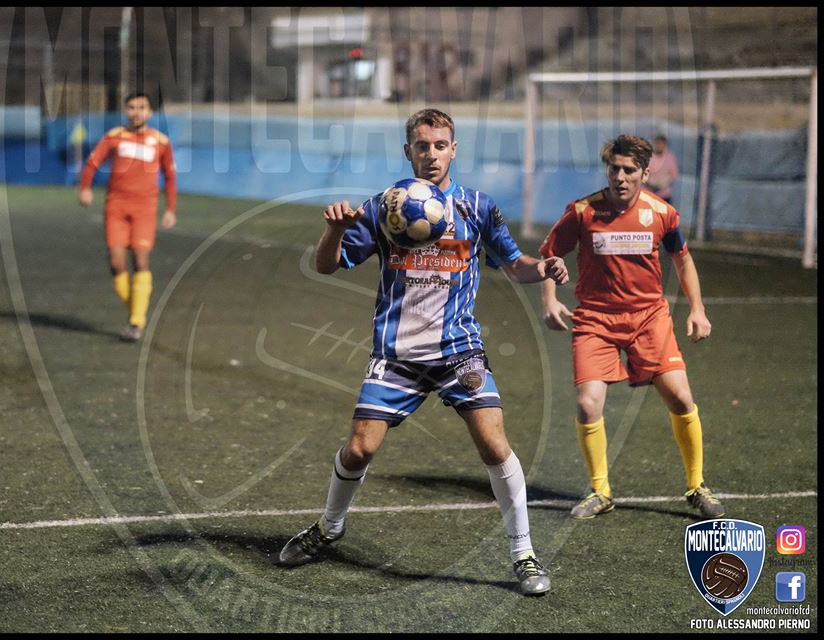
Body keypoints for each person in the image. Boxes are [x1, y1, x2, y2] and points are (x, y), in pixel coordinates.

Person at [278, 109, 569, 596]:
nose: (431, 154)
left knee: (494, 444)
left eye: (440, 145)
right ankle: (329, 528)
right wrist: (333, 228)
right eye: (422, 145)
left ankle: (523, 553)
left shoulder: (477, 206)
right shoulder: (383, 207)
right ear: (407, 151)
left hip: (459, 349)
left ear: (454, 149)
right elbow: (329, 266)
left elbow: (513, 263)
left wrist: (544, 268)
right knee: (359, 448)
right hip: (396, 353)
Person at [539, 134, 724, 521]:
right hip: (595, 319)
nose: (620, 177)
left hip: (648, 318)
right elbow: (551, 253)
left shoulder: (661, 212)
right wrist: (550, 299)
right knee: (588, 404)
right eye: (614, 169)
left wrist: (697, 309)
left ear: (645, 171)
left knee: (680, 397)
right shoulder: (582, 211)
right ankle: (600, 491)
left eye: (628, 170)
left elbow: (682, 259)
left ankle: (696, 485)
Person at [79, 92, 177, 342]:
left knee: (141, 260)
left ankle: (136, 321)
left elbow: (170, 176)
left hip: (145, 208)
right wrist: (86, 188)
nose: (136, 112)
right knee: (116, 262)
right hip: (117, 207)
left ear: (150, 112)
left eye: (142, 107)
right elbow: (91, 163)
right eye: (132, 107)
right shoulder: (114, 137)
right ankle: (137, 310)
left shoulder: (161, 142)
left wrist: (170, 209)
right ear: (126, 111)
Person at [646, 134, 679, 203]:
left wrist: (664, 183)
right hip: (650, 194)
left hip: (664, 195)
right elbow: (644, 172)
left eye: (662, 144)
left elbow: (674, 174)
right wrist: (651, 182)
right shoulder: (649, 156)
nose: (660, 146)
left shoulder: (670, 157)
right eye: (658, 143)